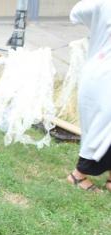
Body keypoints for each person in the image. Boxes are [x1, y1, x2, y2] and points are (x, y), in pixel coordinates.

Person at [67, 0, 111, 192]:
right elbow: (75, 13)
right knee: (102, 128)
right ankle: (78, 174)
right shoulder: (104, 5)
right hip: (103, 76)